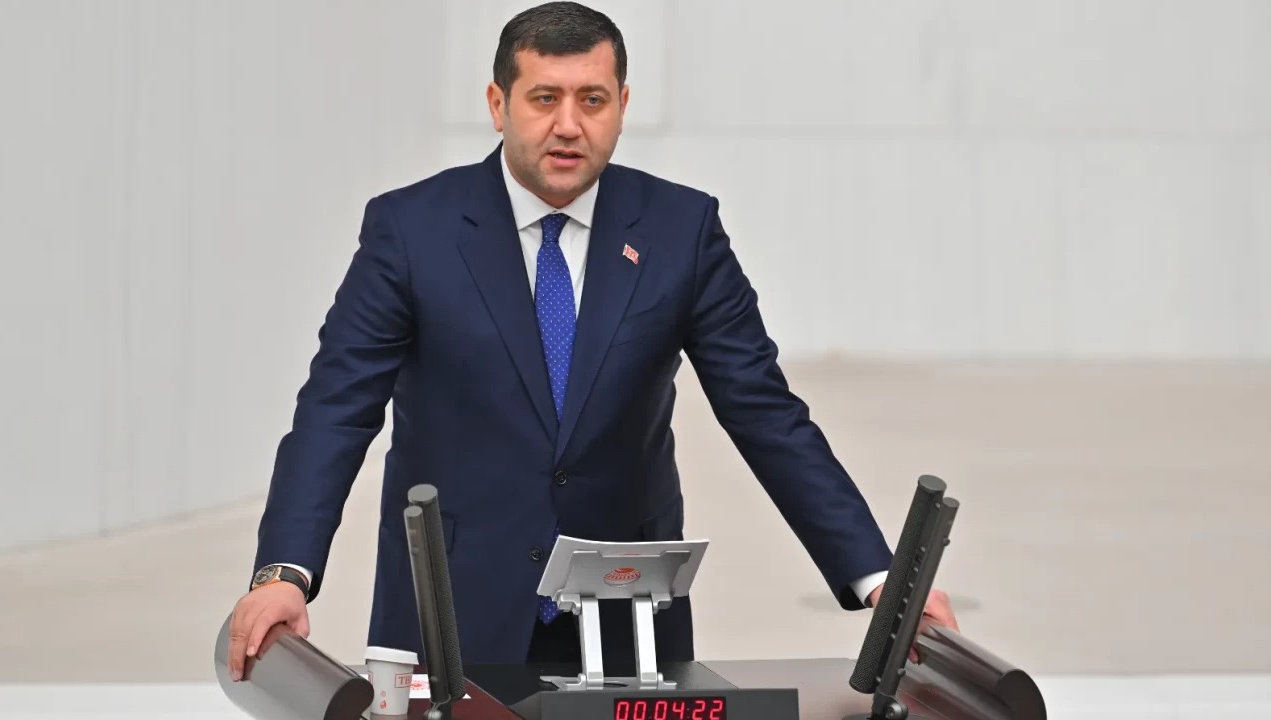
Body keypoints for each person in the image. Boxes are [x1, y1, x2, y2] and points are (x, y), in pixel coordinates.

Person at [227, 0, 958, 681]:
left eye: (593, 100)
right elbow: (336, 408)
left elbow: (763, 410)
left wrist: (879, 576)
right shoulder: (411, 231)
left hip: (628, 616)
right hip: (453, 612)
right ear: (498, 105)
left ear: (622, 106)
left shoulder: (681, 231)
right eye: (544, 98)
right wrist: (284, 572)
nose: (569, 125)